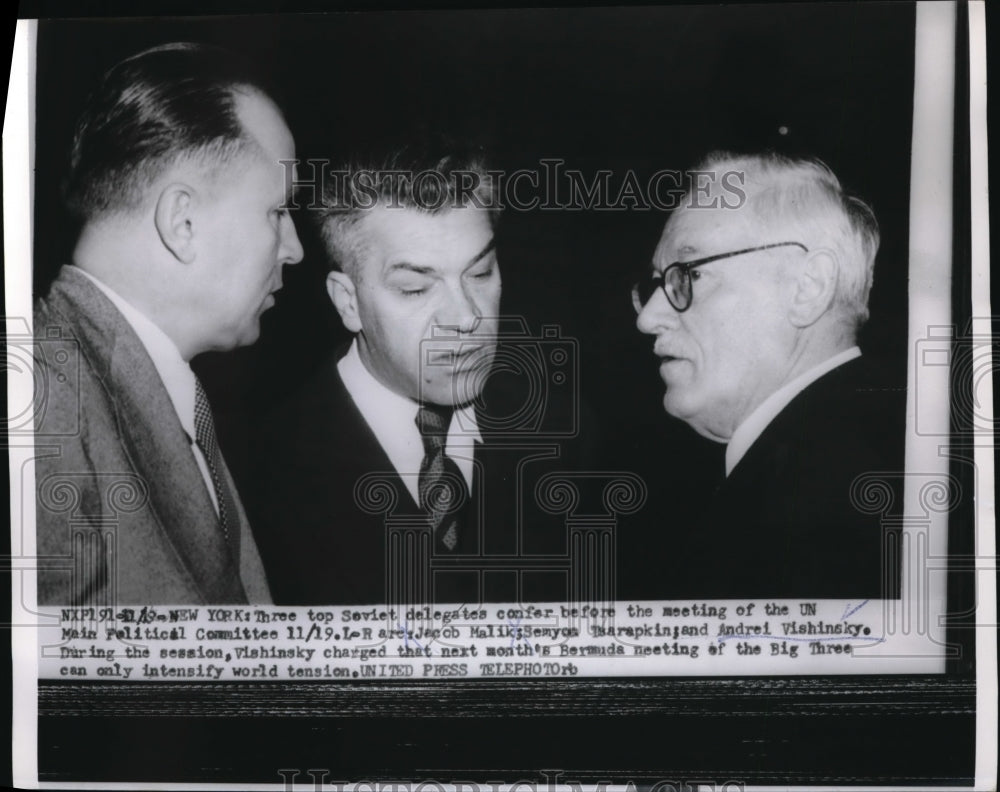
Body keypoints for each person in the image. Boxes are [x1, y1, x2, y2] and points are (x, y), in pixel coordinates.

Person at [250, 144, 583, 605]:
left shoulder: (568, 439)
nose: (466, 316)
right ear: (348, 302)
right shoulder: (257, 477)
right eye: (415, 288)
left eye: (480, 273)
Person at [34, 43, 304, 605]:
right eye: (277, 212)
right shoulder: (37, 404)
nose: (294, 249)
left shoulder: (129, 392)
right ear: (182, 221)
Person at [632, 151, 904, 599]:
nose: (650, 318)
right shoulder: (867, 467)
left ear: (808, 287)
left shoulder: (825, 516)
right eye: (658, 283)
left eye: (691, 273)